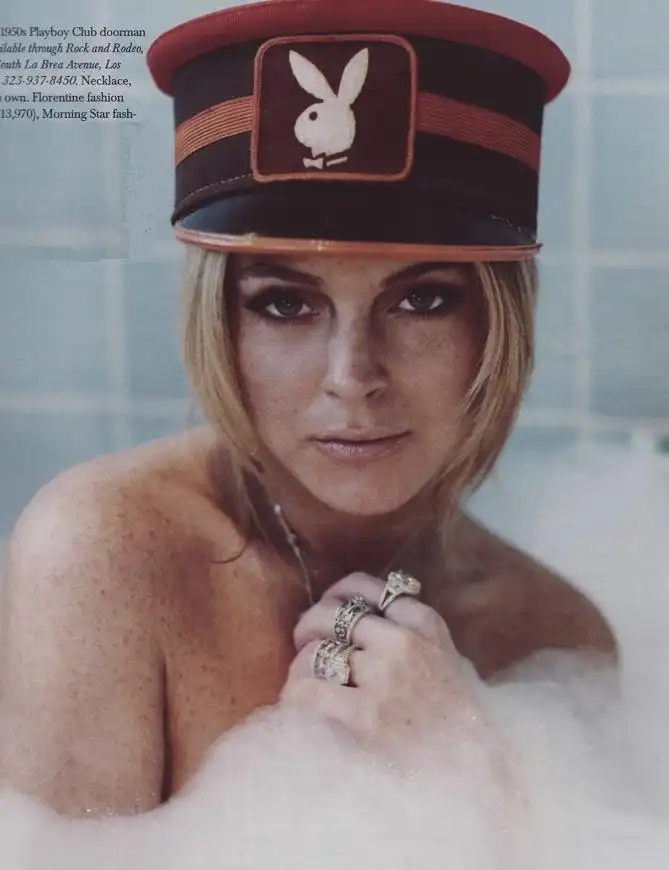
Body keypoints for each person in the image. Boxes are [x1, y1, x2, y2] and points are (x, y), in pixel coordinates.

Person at [0, 0, 616, 819]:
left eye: (422, 299)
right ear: (220, 321)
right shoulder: (101, 556)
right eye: (285, 304)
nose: (351, 377)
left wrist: (471, 766)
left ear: (496, 325)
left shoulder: (557, 638)